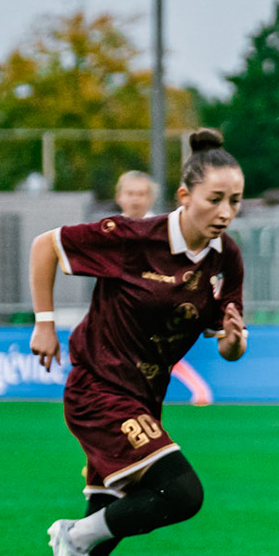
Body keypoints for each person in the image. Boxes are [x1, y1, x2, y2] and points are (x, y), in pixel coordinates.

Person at [0, 130, 248, 556]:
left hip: (144, 396)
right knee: (182, 494)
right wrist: (44, 324)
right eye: (215, 199)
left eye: (236, 201)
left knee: (110, 513)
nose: (226, 212)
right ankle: (73, 537)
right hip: (99, 387)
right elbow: (47, 245)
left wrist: (232, 342)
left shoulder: (227, 261)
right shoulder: (133, 237)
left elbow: (228, 348)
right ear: (184, 196)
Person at [116, 169, 213, 405]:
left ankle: (197, 389)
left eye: (141, 193)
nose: (135, 199)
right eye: (130, 193)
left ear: (150, 198)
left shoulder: (166, 230)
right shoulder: (110, 229)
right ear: (119, 196)